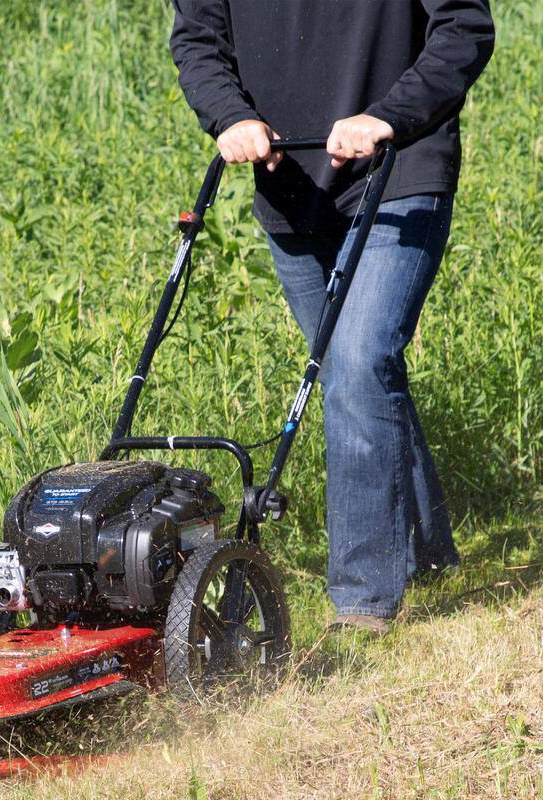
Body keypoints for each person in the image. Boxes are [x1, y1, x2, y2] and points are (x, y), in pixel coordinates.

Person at [170, 1, 495, 633]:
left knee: (357, 360)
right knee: (360, 375)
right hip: (289, 185)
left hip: (402, 169)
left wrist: (389, 118)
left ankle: (363, 598)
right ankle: (429, 554)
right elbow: (198, 41)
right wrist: (231, 115)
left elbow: (464, 26)